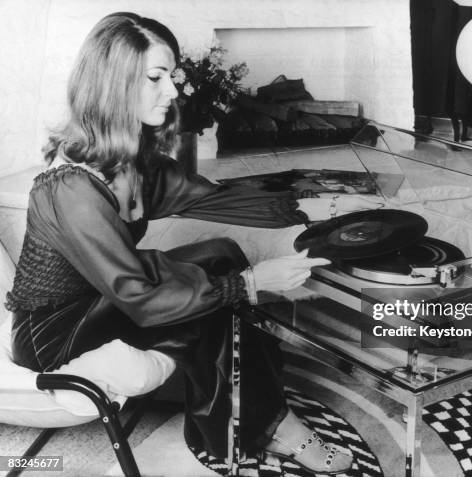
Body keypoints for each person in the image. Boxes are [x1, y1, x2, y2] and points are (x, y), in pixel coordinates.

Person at [5, 12, 383, 474]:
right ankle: (263, 431)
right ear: (113, 83)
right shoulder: (70, 188)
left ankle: (245, 420)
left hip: (103, 301)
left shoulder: (132, 162)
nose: (173, 91)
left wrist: (307, 207)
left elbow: (213, 198)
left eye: (172, 76)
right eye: (156, 78)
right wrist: (250, 283)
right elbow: (140, 297)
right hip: (54, 334)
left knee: (221, 253)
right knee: (221, 287)